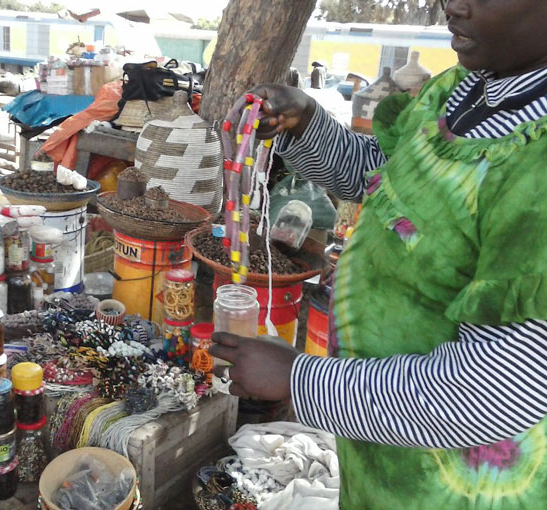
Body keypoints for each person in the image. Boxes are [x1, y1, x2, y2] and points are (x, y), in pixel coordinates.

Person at [210, 0, 547, 508]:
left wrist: (300, 382)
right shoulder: (460, 89)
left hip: (454, 482)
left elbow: (497, 388)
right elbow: (385, 184)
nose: (452, 5)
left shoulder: (537, 164)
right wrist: (306, 124)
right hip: (383, 446)